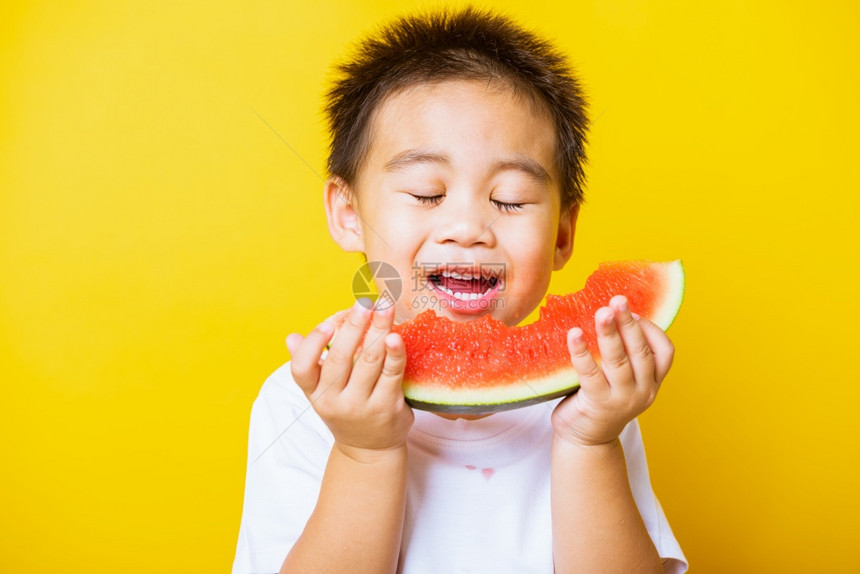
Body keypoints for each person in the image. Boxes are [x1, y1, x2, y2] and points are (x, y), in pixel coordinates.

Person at [232, 7, 687, 574]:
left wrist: (591, 443)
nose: (469, 227)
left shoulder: (593, 392)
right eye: (427, 193)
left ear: (562, 235)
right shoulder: (307, 400)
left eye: (511, 199)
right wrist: (363, 450)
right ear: (349, 214)